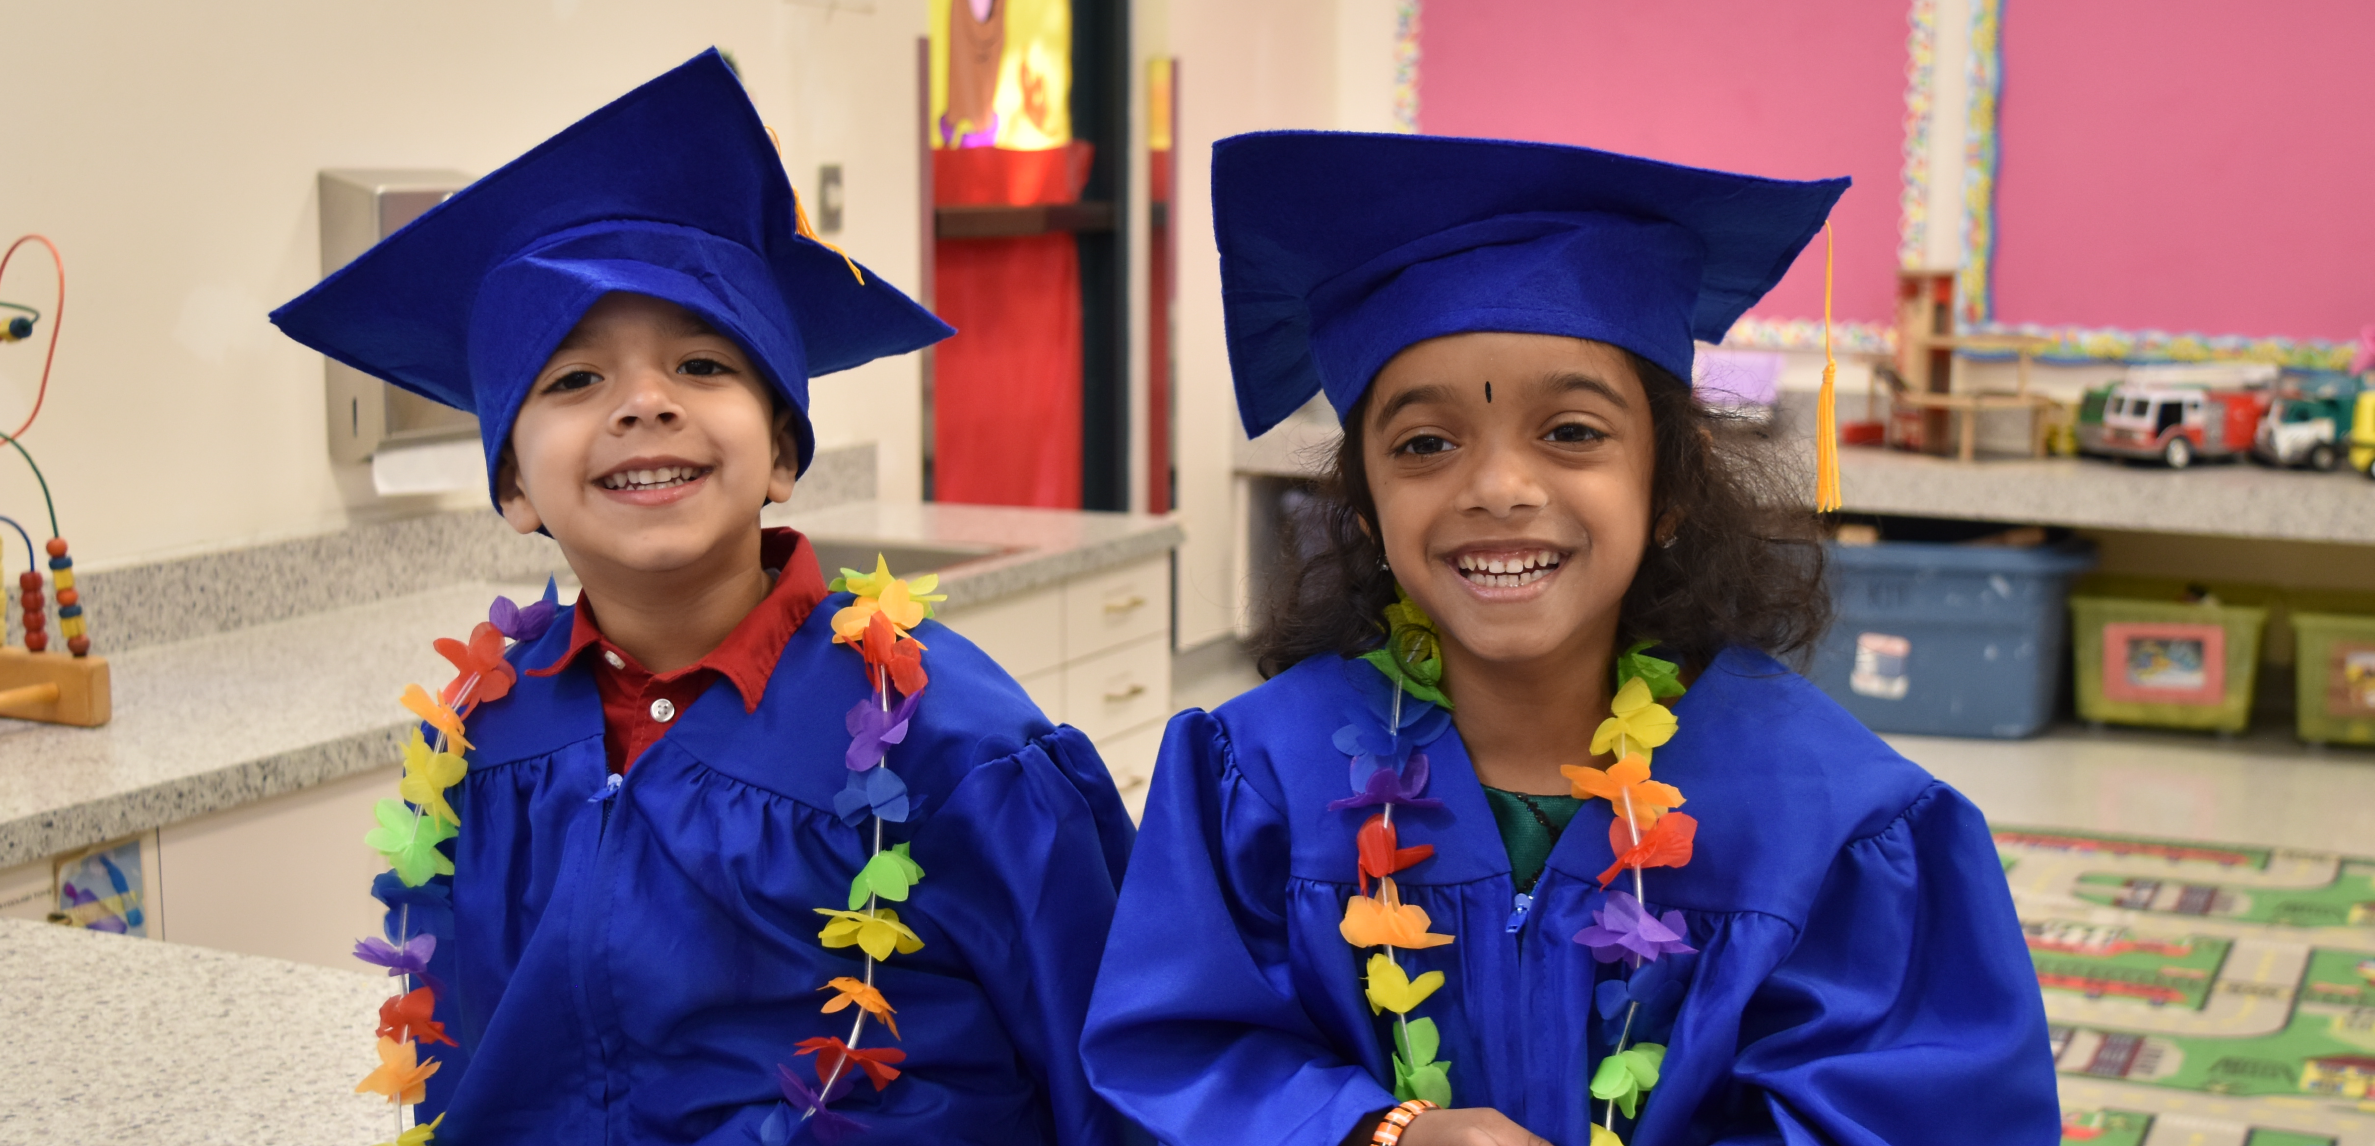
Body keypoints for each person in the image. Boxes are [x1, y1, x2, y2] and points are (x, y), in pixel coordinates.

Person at [1080, 131, 2058, 1146]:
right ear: (1363, 508)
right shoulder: (1258, 780)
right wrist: (1384, 1132)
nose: (1499, 488)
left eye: (1572, 432)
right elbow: (1175, 1060)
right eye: (1424, 443)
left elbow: (1914, 1113)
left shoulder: (1831, 818)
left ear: (1669, 486)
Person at [270, 51, 1136, 1146]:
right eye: (573, 379)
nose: (642, 404)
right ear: (511, 485)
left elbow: (1111, 1076)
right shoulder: (482, 739)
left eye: (702, 365)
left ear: (781, 451)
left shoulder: (956, 747)